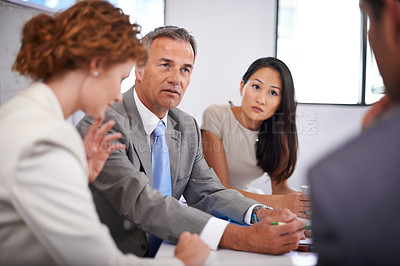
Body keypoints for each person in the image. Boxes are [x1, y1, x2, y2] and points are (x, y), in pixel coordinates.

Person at [0, 1, 209, 265]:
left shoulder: (25, 114)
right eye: (120, 79)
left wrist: (77, 177)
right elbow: (96, 260)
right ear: (96, 65)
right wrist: (181, 262)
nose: (117, 95)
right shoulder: (46, 138)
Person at [76, 25, 306, 258]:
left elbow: (208, 192)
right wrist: (242, 237)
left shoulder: (186, 126)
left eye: (185, 70)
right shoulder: (101, 124)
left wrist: (260, 213)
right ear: (140, 69)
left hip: (169, 253)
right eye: (165, 65)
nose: (176, 79)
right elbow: (141, 202)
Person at [309, 0, 400, 265]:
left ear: (392, 15)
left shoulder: (340, 183)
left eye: (370, 20)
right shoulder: (216, 118)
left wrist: (374, 153)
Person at [201, 57, 310, 219]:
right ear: (242, 87)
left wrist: (306, 203)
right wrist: (280, 203)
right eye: (256, 87)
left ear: (281, 102)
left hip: (246, 207)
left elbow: (280, 190)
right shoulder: (216, 115)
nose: (261, 99)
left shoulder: (277, 131)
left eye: (273, 92)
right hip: (209, 205)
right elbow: (220, 190)